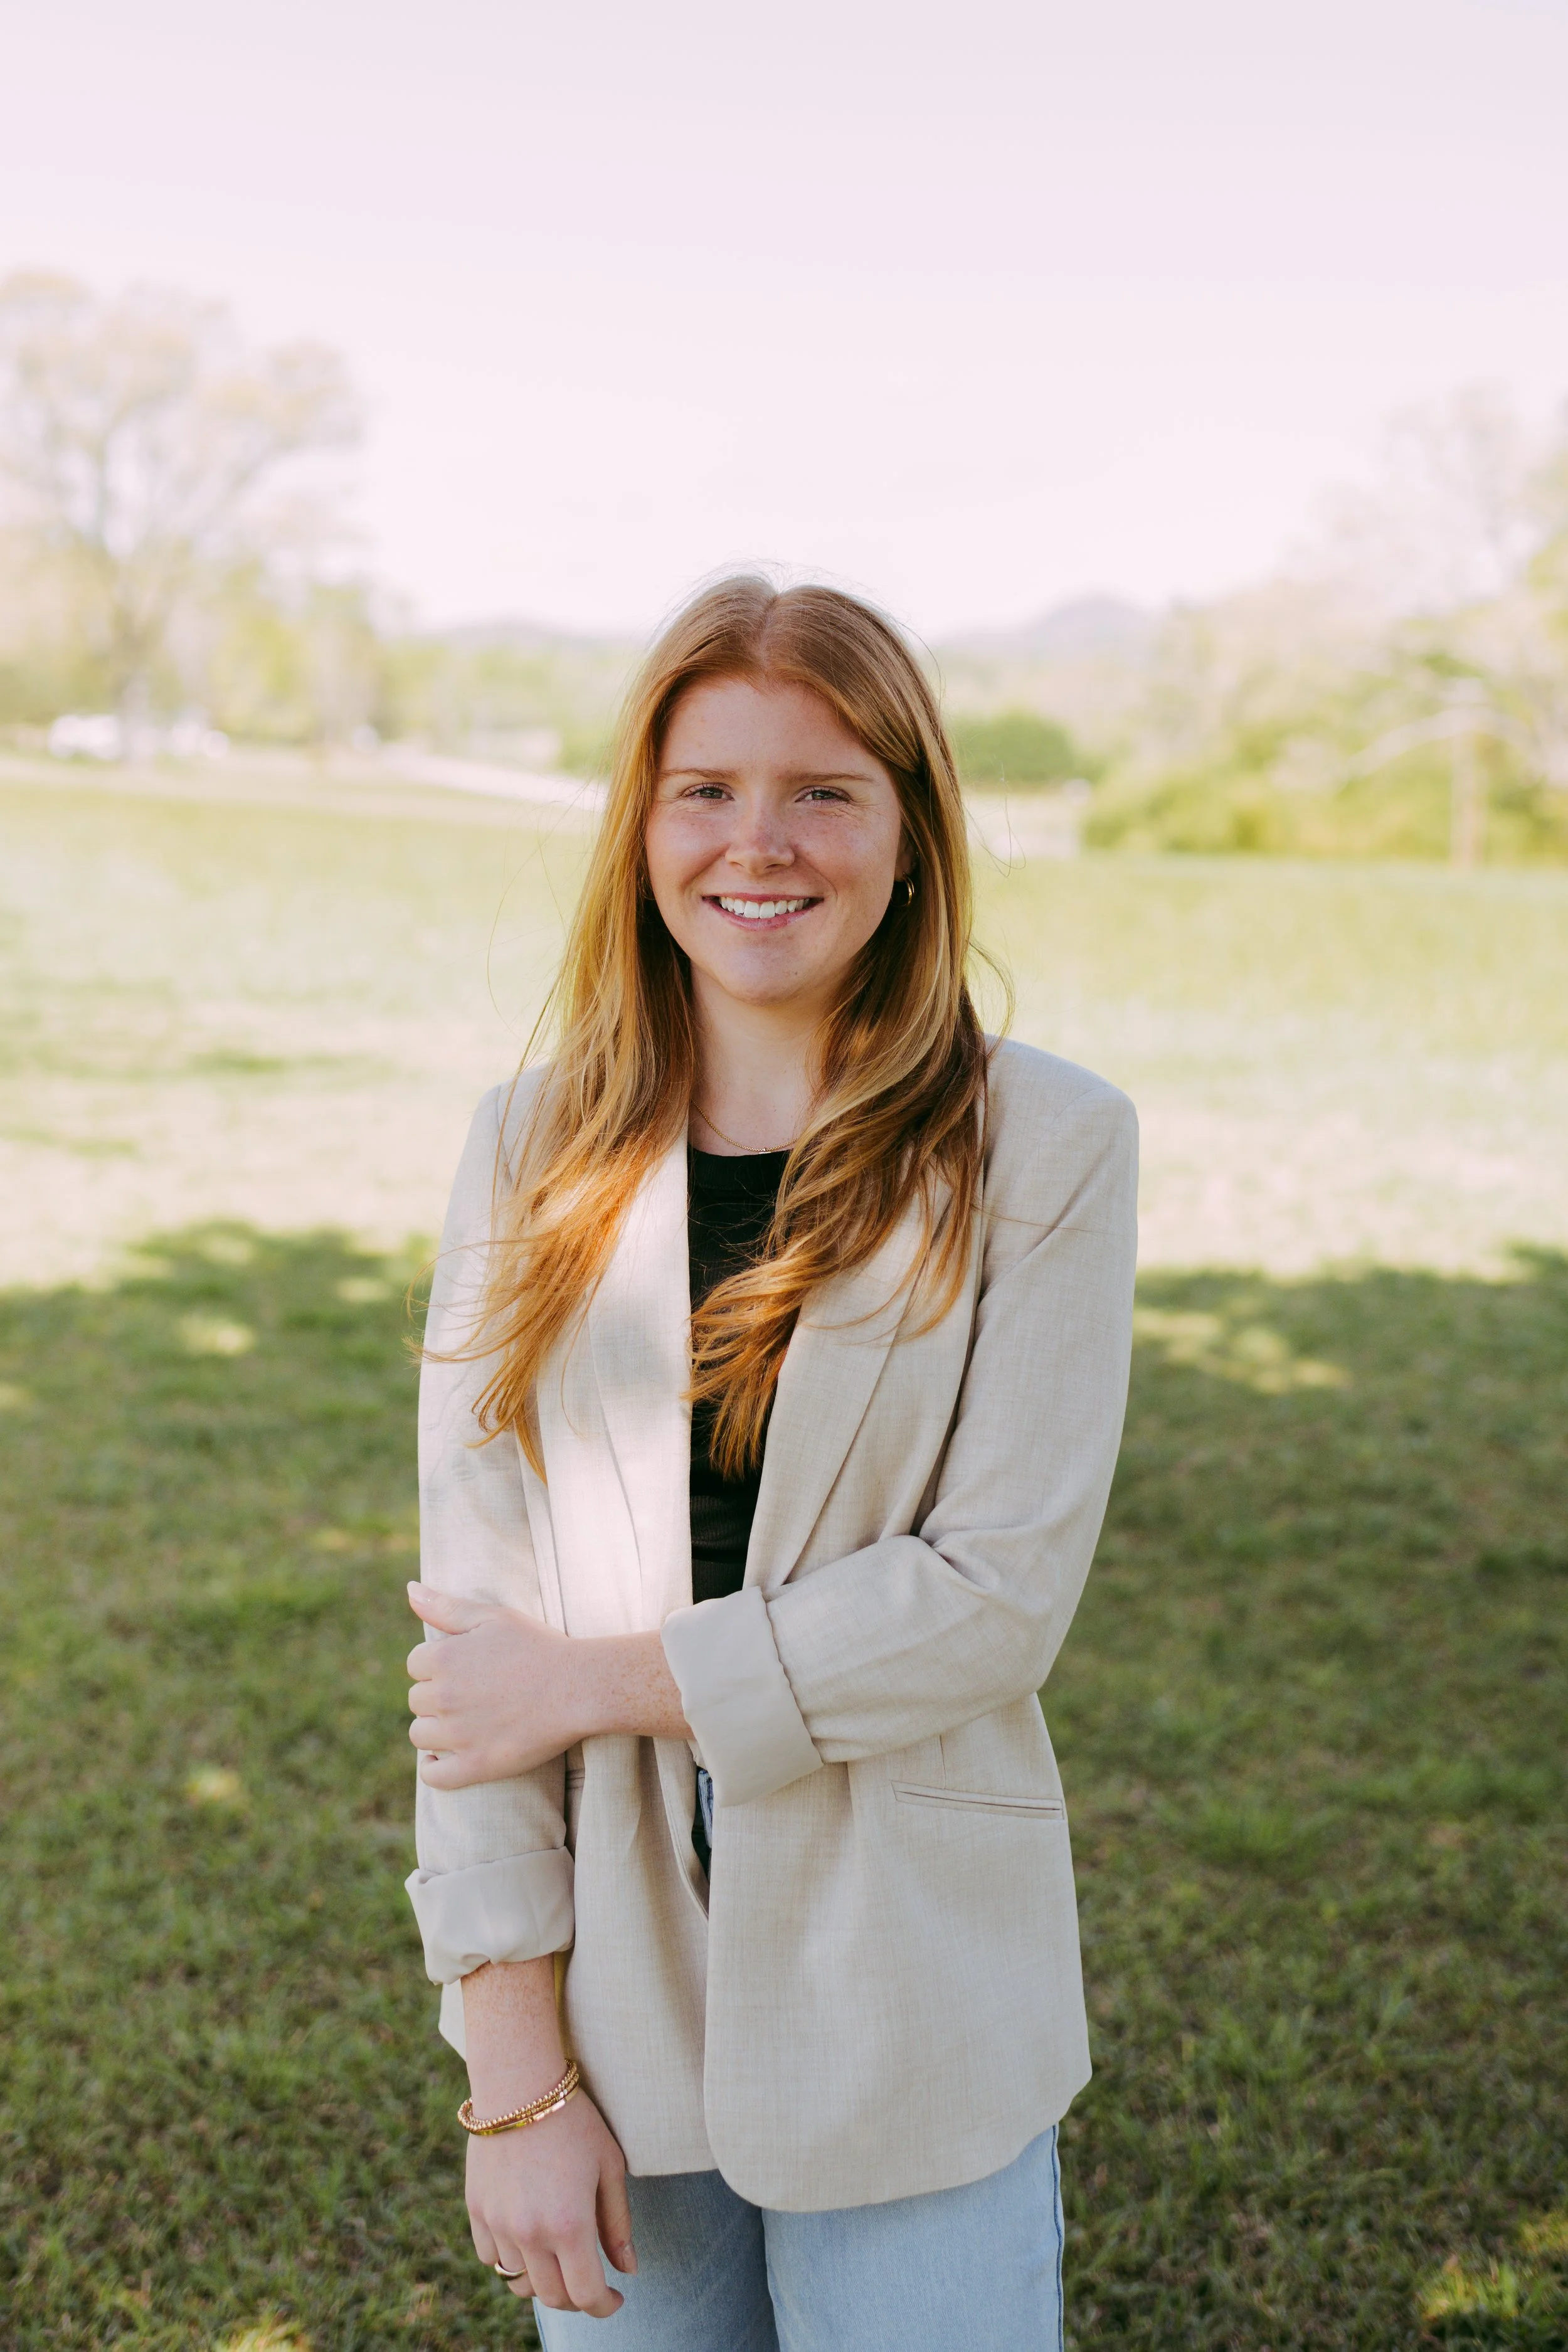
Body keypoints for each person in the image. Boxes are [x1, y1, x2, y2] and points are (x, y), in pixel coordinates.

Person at [402, 576, 1137, 2349]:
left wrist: (596, 1679)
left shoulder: (1044, 1141)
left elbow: (990, 1597)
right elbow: (469, 1646)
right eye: (705, 788)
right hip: (611, 1960)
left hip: (912, 1955)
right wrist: (514, 2074)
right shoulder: (532, 1144)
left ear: (908, 832)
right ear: (640, 828)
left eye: (822, 789)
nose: (761, 842)